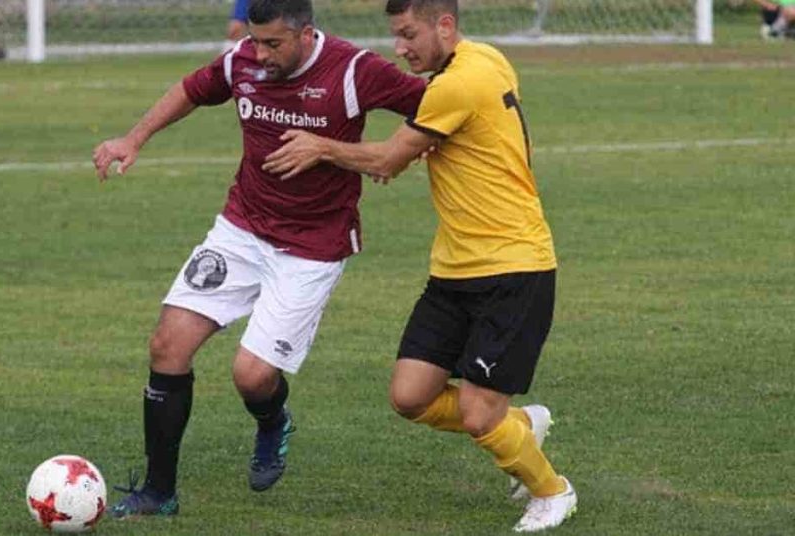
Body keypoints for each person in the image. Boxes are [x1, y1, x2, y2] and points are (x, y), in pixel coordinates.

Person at [91, 0, 425, 519]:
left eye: (274, 44)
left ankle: (272, 421)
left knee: (250, 376)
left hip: (313, 248)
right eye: (256, 41)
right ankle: (159, 493)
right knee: (167, 345)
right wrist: (133, 138)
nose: (260, 54)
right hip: (241, 231)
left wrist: (386, 154)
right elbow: (191, 90)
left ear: (306, 33)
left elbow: (432, 107)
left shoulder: (355, 70)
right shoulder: (242, 60)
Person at [262, 0, 576, 532]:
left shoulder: (456, 85)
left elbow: (387, 159)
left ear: (445, 26)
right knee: (410, 397)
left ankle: (553, 491)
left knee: (478, 414)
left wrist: (322, 147)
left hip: (513, 268)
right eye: (396, 35)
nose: (400, 48)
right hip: (454, 269)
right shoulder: (484, 59)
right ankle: (520, 425)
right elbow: (431, 144)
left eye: (409, 35)